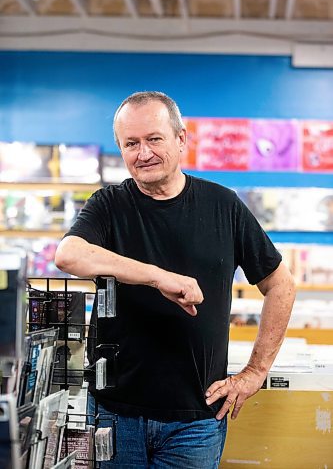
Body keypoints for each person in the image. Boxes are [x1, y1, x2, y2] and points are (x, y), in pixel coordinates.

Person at [55, 91, 296, 468]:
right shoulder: (109, 204)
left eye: (154, 139)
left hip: (197, 420)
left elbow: (280, 284)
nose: (143, 153)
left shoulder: (223, 206)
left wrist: (254, 372)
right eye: (131, 144)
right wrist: (157, 277)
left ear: (181, 139)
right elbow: (69, 254)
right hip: (114, 416)